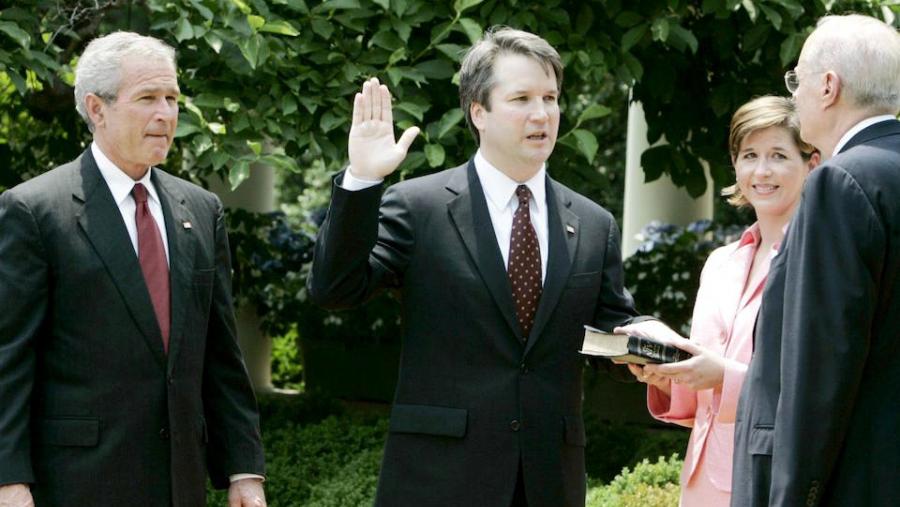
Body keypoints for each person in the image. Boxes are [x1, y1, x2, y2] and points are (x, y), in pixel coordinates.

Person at [307, 27, 655, 507]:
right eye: (522, 98)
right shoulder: (419, 206)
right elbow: (334, 289)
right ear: (479, 112)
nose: (542, 114)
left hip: (547, 480)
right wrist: (364, 180)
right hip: (438, 480)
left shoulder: (593, 223)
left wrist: (647, 339)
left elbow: (608, 329)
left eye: (551, 98)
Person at [0, 32, 266, 507]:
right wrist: (8, 480)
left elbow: (221, 356)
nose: (165, 114)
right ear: (96, 109)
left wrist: (243, 469)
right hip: (77, 483)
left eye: (172, 98)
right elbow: (9, 359)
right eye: (147, 98)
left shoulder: (201, 209)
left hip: (179, 484)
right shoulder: (35, 212)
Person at [615, 96, 819, 506]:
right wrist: (669, 374)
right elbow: (703, 399)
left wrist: (724, 376)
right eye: (749, 155)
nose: (760, 171)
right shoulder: (720, 264)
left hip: (774, 477)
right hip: (702, 480)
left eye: (778, 155)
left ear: (811, 165)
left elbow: (816, 385)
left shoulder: (819, 260)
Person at [732, 14, 900, 506]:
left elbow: (819, 365)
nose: (794, 96)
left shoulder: (840, 181)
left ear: (828, 86)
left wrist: (794, 496)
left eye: (796, 81)